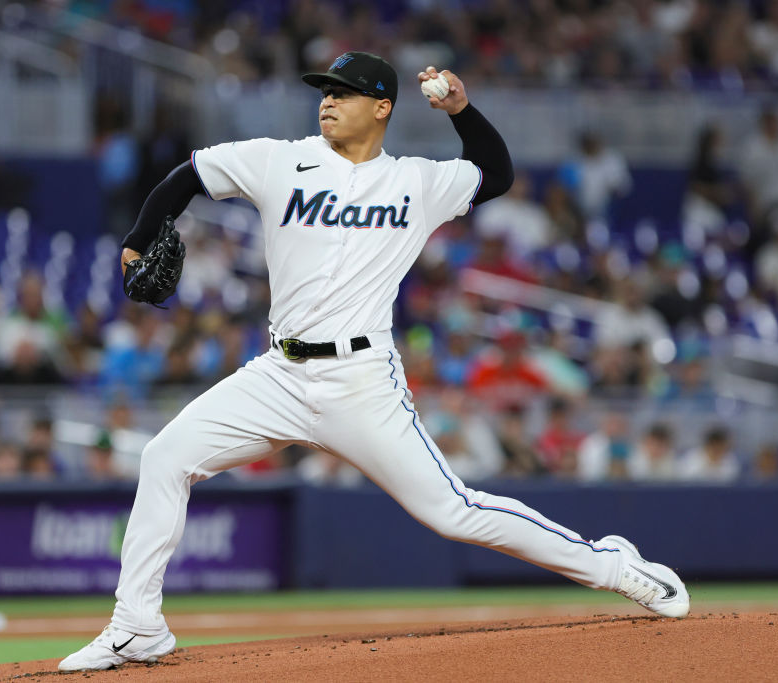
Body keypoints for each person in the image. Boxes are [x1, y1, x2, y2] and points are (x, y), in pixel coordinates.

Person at [60, 53, 689, 673]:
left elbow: (495, 174)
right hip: (277, 374)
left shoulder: (416, 180)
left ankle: (612, 565)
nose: (328, 100)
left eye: (345, 91)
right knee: (163, 457)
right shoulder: (280, 159)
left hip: (361, 382)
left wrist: (462, 111)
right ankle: (137, 626)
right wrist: (137, 240)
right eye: (324, 90)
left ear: (382, 107)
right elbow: (187, 176)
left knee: (454, 511)